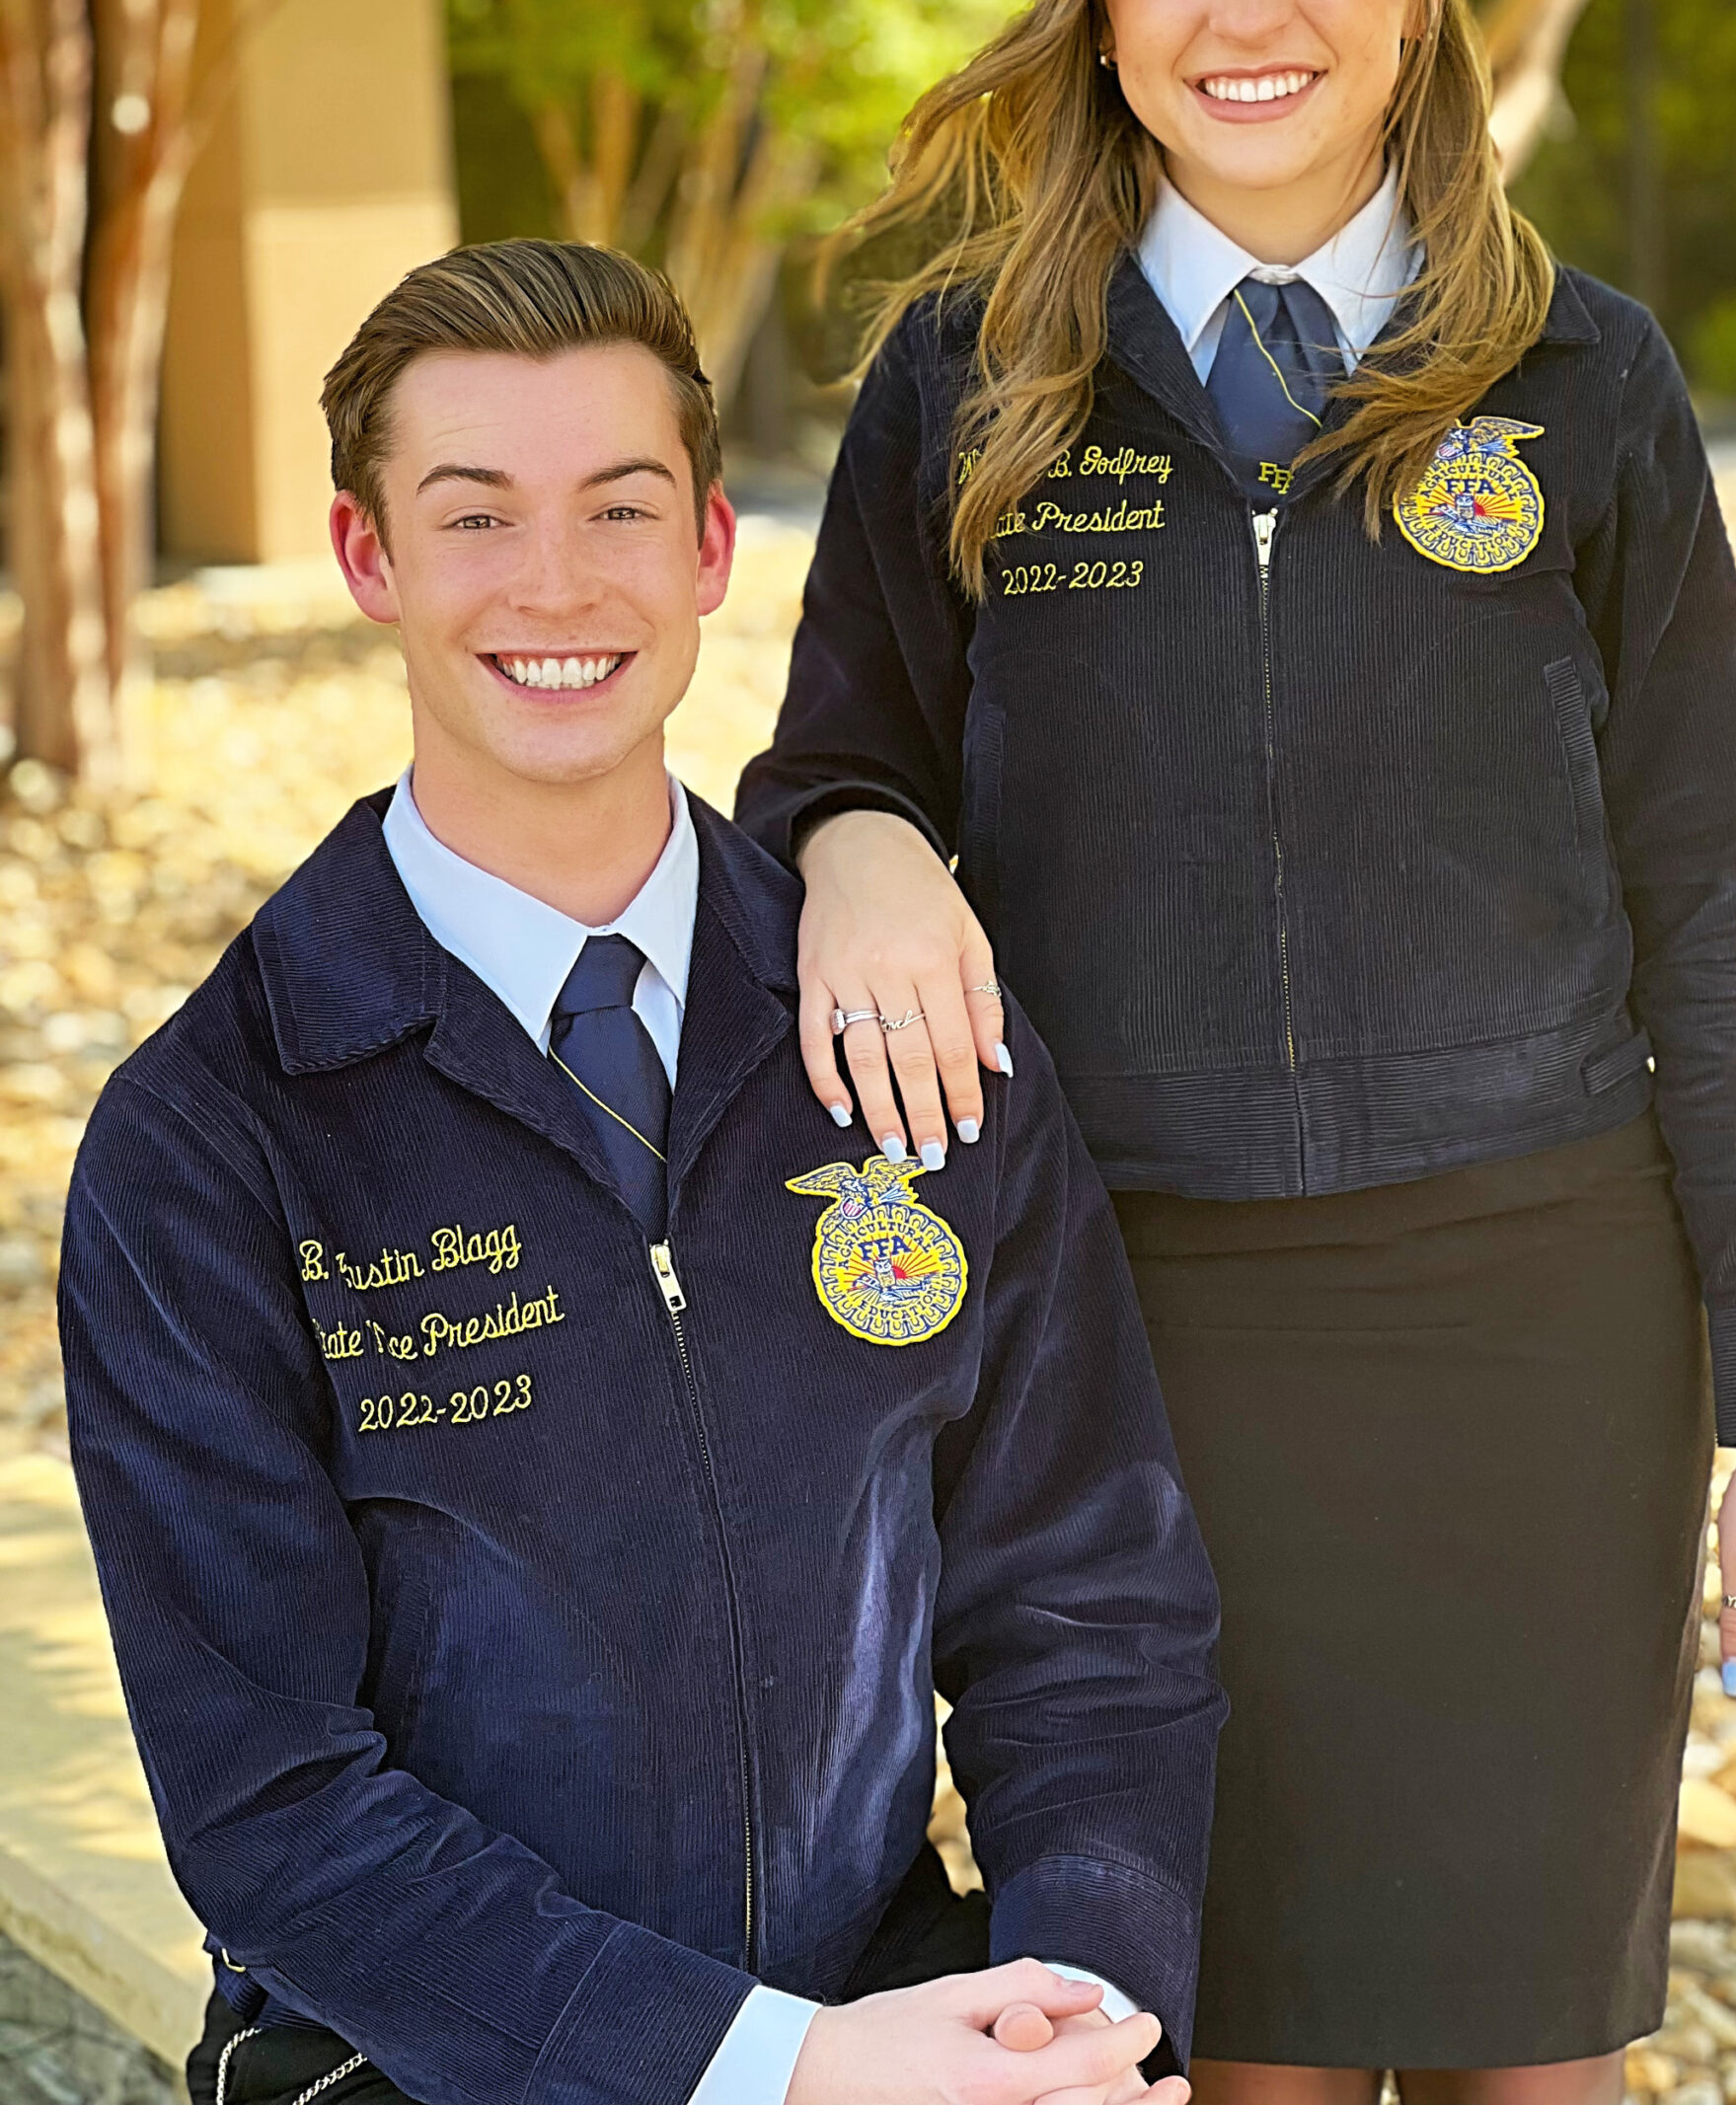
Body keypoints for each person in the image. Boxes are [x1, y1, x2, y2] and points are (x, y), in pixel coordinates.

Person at [735, 0, 1736, 2104]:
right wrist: (851, 849)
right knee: (1211, 2051)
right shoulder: (969, 384)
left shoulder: (1588, 385)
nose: (1247, 8)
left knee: (1523, 2059)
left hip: (1543, 1334)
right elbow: (837, 754)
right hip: (1135, 1336)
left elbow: (1732, 915)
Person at [57, 241, 1223, 2105]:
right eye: (473, 516)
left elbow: (1091, 1606)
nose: (554, 584)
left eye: (620, 507)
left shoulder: (915, 1031)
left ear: (707, 553)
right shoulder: (212, 1139)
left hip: (905, 2011)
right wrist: (772, 2070)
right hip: (427, 2065)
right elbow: (272, 1806)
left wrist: (1071, 2003)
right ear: (368, 560)